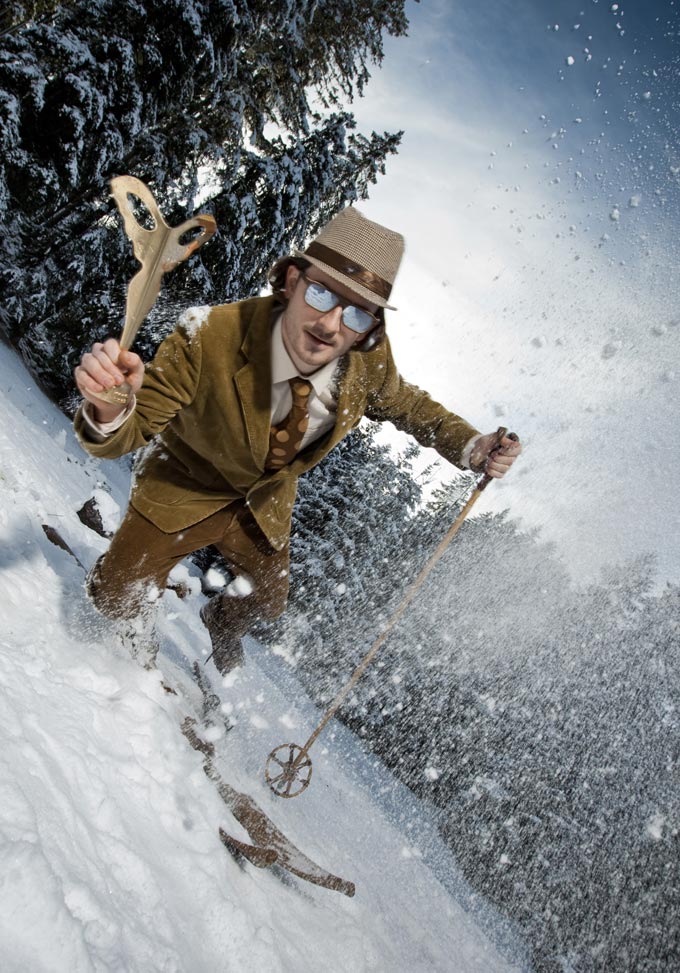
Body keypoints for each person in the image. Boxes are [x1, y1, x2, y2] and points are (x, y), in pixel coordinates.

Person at [74, 207, 521, 673]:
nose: (331, 325)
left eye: (355, 312)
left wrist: (472, 444)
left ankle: (220, 621)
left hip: (261, 503)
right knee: (114, 599)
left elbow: (407, 404)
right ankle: (129, 593)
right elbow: (127, 430)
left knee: (267, 600)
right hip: (187, 483)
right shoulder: (207, 335)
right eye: (322, 292)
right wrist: (109, 407)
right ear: (290, 281)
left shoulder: (365, 359)